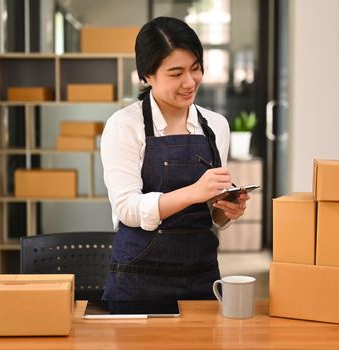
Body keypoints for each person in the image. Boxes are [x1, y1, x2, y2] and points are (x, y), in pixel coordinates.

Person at [100, 16, 250, 301]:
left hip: (202, 278)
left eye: (195, 68)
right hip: (138, 280)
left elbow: (210, 211)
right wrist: (194, 192)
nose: (189, 81)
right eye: (175, 73)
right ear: (147, 75)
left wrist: (225, 210)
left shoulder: (216, 125)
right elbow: (127, 209)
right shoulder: (124, 125)